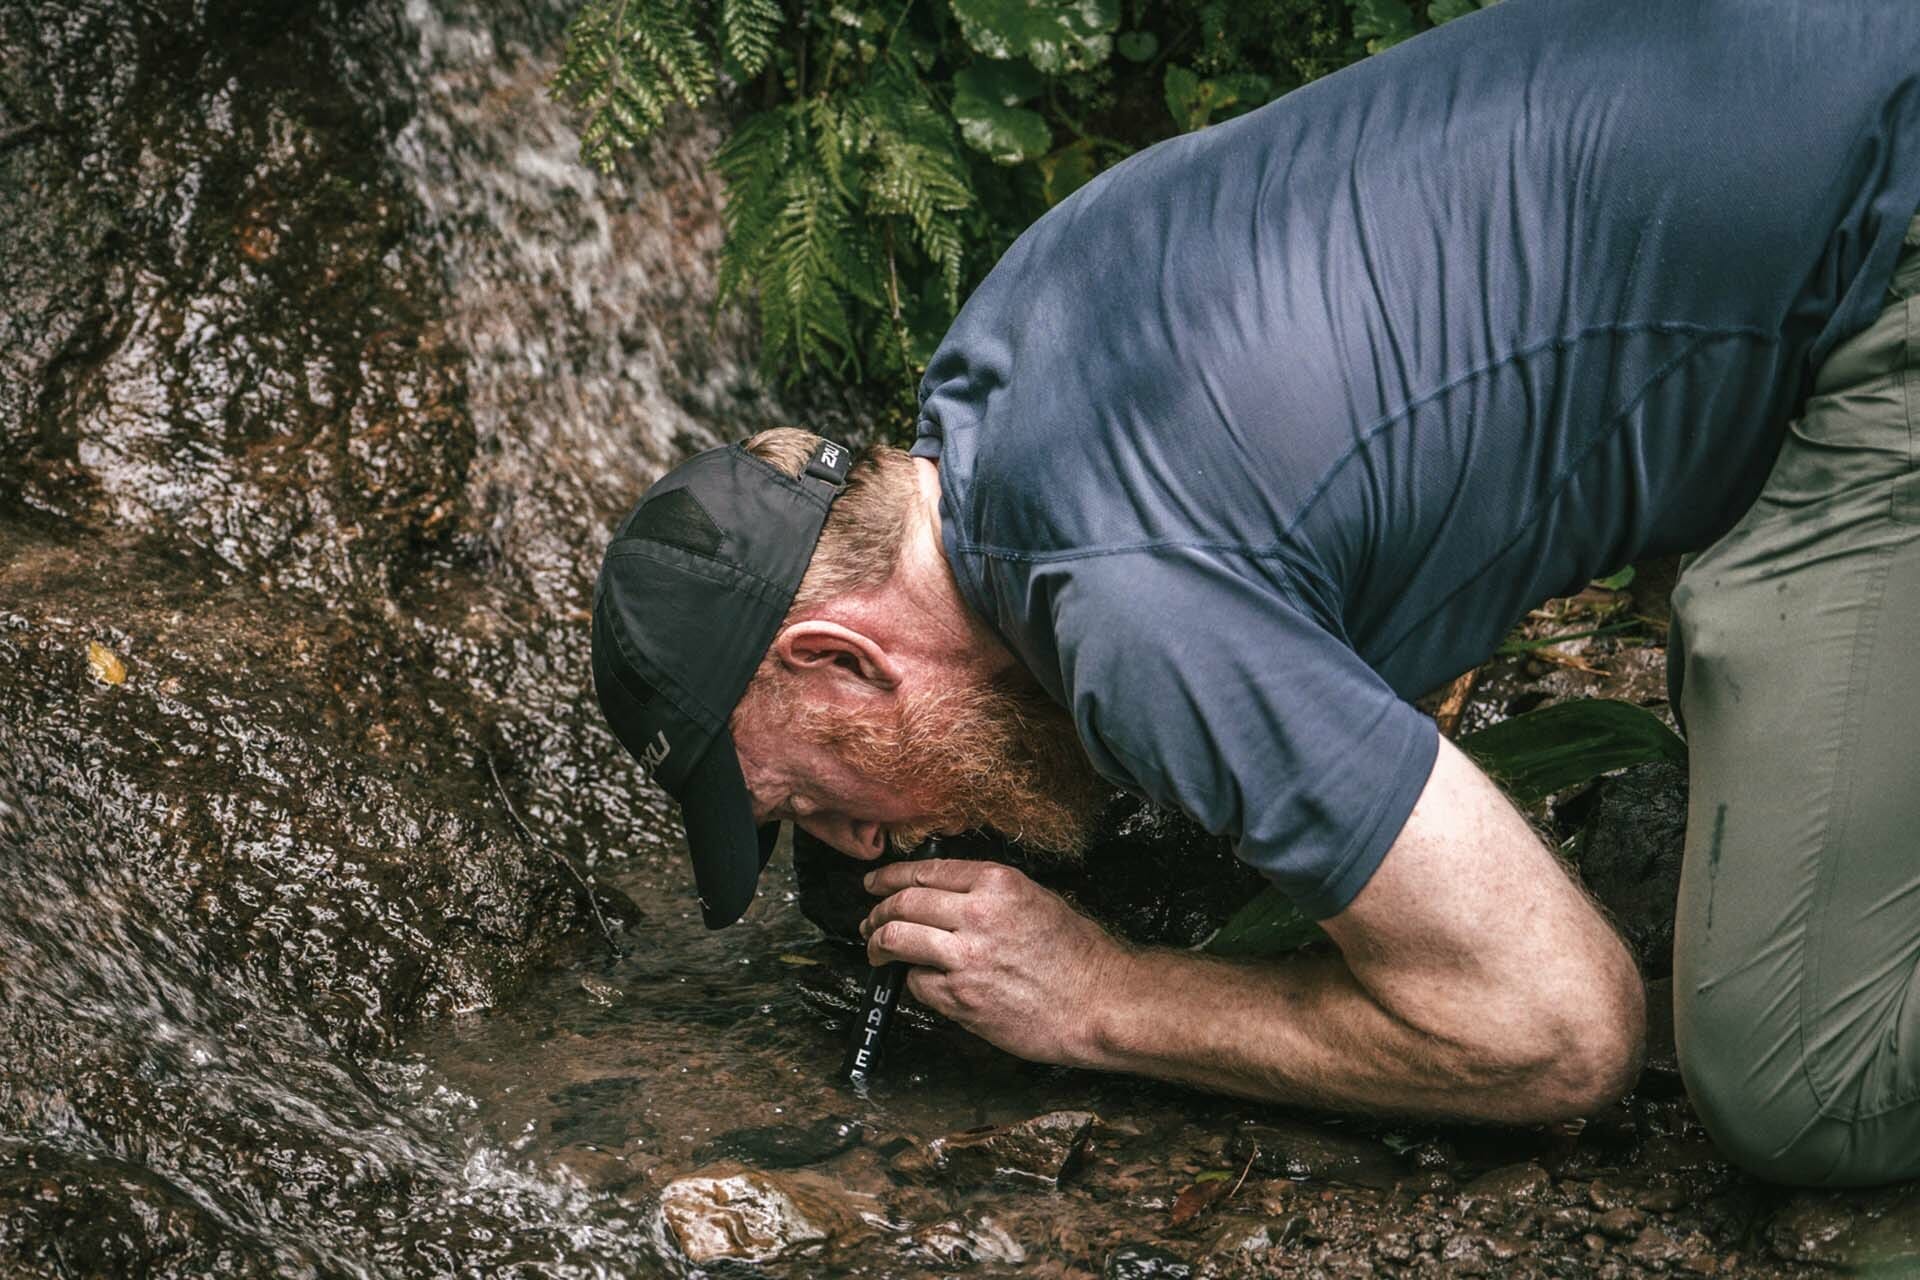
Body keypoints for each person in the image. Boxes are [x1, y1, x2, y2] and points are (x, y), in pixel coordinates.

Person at [591, 0, 1920, 1186]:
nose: (858, 849)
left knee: (1797, 1081)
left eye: (809, 803)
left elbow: (1562, 1028)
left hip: (1885, 251)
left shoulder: (1120, 604)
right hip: (1831, 71)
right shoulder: (1004, 356)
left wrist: (1100, 997)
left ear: (843, 658)